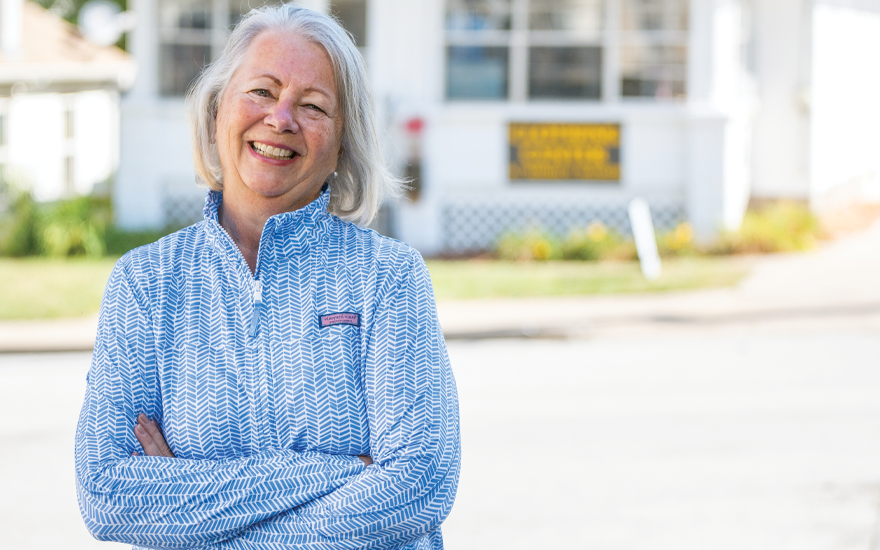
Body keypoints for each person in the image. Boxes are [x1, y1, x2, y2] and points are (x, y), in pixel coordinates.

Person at [74, 5, 460, 550]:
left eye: (313, 105)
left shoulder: (388, 279)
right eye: (261, 91)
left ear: (342, 143)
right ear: (216, 111)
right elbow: (109, 494)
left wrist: (190, 518)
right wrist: (341, 473)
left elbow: (417, 486)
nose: (281, 119)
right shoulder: (145, 284)